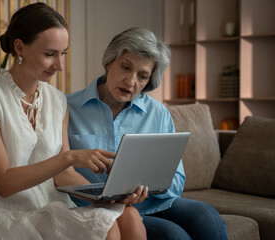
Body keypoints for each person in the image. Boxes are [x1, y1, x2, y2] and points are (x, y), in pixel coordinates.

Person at [0, 3, 147, 239]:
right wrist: (68, 157)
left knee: (128, 215)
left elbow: (63, 175)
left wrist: (108, 195)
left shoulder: (56, 101)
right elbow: (3, 183)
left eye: (63, 54)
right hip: (2, 216)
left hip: (50, 210)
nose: (59, 65)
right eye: (50, 54)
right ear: (20, 48)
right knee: (107, 229)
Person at [66, 27, 228, 240]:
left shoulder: (158, 113)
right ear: (109, 63)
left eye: (142, 76)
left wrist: (145, 190)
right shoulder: (68, 108)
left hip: (151, 202)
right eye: (125, 67)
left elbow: (177, 178)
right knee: (174, 235)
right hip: (96, 206)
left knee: (207, 216)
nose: (131, 82)